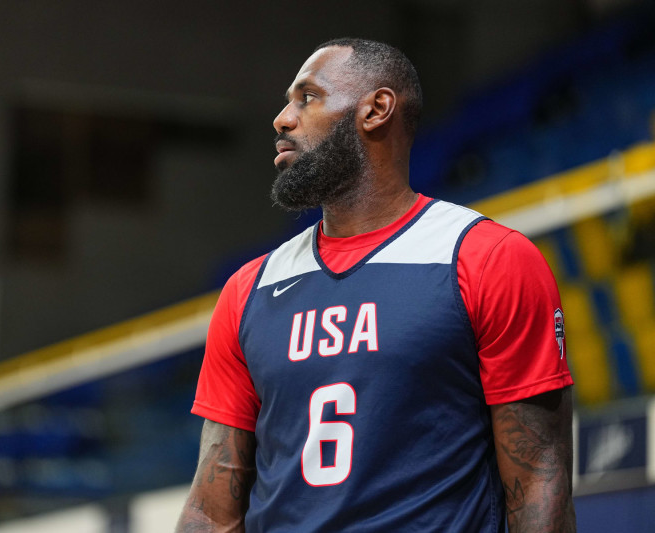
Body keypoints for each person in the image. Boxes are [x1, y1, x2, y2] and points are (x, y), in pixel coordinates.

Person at [176, 38, 575, 532]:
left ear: (376, 109)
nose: (282, 119)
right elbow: (210, 511)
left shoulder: (488, 259)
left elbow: (539, 482)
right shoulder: (248, 289)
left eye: (307, 97)